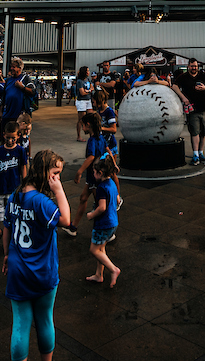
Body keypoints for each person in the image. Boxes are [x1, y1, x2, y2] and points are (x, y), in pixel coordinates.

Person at [3, 149, 72, 361]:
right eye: (55, 173)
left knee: (21, 324)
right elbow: (66, 220)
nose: (57, 178)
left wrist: (7, 255)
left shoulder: (15, 195)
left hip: (17, 268)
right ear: (44, 172)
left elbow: (6, 227)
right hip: (43, 269)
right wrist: (59, 191)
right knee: (44, 320)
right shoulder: (42, 202)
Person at [0, 121, 29, 252]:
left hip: (14, 189)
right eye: (8, 137)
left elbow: (23, 167)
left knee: (14, 215)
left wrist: (25, 184)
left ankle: (11, 235)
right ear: (3, 135)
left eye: (13, 138)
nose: (10, 140)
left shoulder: (20, 151)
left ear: (18, 136)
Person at [68, 112, 106, 237]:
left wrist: (79, 172)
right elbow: (107, 150)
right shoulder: (101, 138)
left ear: (88, 125)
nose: (82, 128)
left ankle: (106, 230)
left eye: (83, 125)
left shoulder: (91, 140)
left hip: (94, 177)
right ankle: (73, 226)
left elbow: (91, 157)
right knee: (83, 198)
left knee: (100, 205)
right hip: (93, 177)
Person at [86, 156, 121, 287]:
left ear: (100, 173)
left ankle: (113, 269)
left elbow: (102, 207)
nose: (93, 174)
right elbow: (117, 200)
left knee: (94, 250)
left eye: (94, 172)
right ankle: (99, 275)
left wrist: (91, 215)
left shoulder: (101, 187)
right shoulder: (112, 183)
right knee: (101, 248)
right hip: (113, 222)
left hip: (103, 223)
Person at [174, 58, 205, 166]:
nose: (194, 68)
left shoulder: (203, 76)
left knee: (203, 131)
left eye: (195, 66)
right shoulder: (183, 77)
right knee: (195, 131)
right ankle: (195, 155)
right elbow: (174, 86)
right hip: (192, 110)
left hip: (204, 109)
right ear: (188, 66)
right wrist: (183, 97)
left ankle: (201, 153)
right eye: (192, 66)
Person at [0, 57, 33, 125]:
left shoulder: (25, 78)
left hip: (20, 116)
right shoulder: (8, 80)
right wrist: (0, 112)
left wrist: (22, 87)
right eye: (11, 67)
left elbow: (32, 91)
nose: (11, 69)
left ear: (19, 68)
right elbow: (4, 97)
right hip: (7, 114)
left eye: (14, 67)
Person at [73, 66, 93, 142]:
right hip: (81, 101)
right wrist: (89, 91)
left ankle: (92, 134)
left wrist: (87, 91)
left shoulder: (88, 80)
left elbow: (91, 88)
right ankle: (79, 136)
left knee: (91, 118)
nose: (88, 72)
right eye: (87, 70)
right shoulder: (79, 81)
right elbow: (82, 93)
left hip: (88, 100)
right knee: (81, 119)